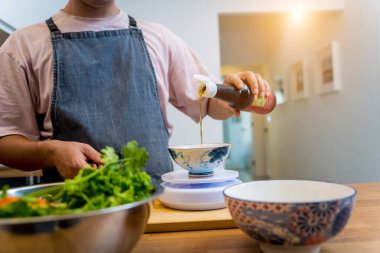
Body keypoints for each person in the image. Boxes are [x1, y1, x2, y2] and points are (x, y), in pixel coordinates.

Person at [0, 0, 272, 185]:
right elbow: (5, 144)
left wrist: (236, 91)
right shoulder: (23, 47)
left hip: (157, 209)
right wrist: (49, 152)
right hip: (73, 218)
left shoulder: (159, 38)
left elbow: (213, 105)